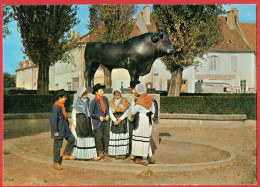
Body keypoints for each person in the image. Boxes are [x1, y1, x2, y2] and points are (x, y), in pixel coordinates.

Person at [71, 87, 101, 161]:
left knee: (89, 136)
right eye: (84, 94)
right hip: (80, 119)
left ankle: (91, 155)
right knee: (81, 136)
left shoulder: (88, 101)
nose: (85, 95)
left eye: (86, 94)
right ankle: (80, 155)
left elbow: (89, 112)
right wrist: (75, 123)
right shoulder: (77, 102)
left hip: (87, 120)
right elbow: (73, 113)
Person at [49, 89, 76, 170]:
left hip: (65, 128)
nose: (66, 99)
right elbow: (53, 120)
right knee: (57, 146)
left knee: (72, 139)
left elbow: (64, 118)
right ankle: (56, 162)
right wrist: (55, 131)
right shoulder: (56, 107)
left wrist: (68, 126)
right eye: (64, 97)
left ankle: (65, 155)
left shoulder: (61, 106)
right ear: (59, 97)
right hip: (59, 130)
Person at [130, 83, 155, 166]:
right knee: (146, 138)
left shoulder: (139, 100)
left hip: (140, 119)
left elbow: (133, 111)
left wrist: (133, 102)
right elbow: (153, 112)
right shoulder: (150, 99)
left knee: (139, 138)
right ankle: (150, 156)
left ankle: (144, 159)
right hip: (148, 119)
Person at [108, 88, 130, 159]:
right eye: (115, 94)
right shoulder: (111, 102)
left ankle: (123, 153)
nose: (117, 96)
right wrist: (114, 120)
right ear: (113, 94)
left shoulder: (125, 101)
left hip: (122, 119)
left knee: (122, 135)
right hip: (114, 119)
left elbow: (127, 111)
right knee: (115, 136)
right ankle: (116, 153)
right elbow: (110, 112)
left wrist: (121, 119)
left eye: (118, 94)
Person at [90, 83, 110, 159]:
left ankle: (106, 151)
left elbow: (107, 108)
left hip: (106, 121)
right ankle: (100, 151)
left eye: (102, 90)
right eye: (100, 90)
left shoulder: (105, 99)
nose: (102, 92)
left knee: (106, 136)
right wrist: (98, 117)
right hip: (98, 123)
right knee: (99, 137)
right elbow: (91, 113)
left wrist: (107, 115)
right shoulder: (94, 101)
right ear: (96, 92)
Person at [128, 80, 140, 160]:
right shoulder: (136, 97)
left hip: (138, 119)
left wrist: (132, 102)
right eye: (132, 89)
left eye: (133, 89)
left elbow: (134, 110)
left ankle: (135, 153)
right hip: (134, 118)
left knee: (136, 136)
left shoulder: (138, 98)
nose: (132, 91)